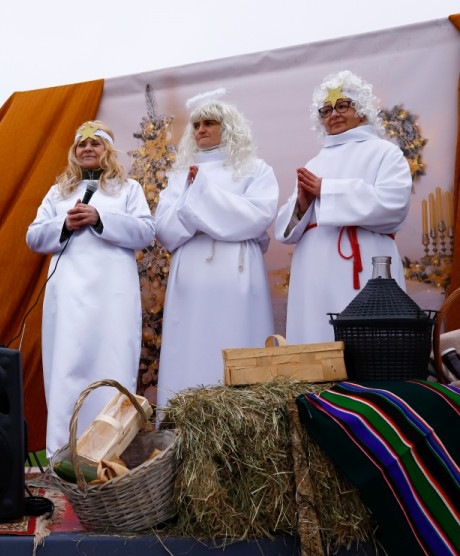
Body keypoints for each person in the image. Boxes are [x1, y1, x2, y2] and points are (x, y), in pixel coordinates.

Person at [26, 120, 154, 456]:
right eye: (81, 144)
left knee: (113, 363)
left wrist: (100, 218)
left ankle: (112, 451)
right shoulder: (59, 192)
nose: (87, 149)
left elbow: (145, 233)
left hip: (113, 298)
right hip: (68, 297)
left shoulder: (128, 189)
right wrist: (64, 223)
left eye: (94, 143)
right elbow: (34, 236)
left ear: (107, 149)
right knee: (67, 367)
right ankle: (62, 453)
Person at [154, 90, 279, 407]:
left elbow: (258, 216)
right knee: (191, 348)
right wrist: (208, 211)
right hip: (191, 279)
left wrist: (200, 201)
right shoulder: (179, 176)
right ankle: (184, 422)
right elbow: (165, 229)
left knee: (236, 341)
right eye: (196, 125)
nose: (201, 130)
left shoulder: (254, 169)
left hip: (235, 279)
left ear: (228, 126)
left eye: (209, 123)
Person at [274, 70, 412, 343]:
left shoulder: (385, 152)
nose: (333, 114)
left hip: (363, 266)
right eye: (326, 110)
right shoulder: (315, 162)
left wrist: (327, 190)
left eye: (342, 106)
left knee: (367, 342)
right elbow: (285, 231)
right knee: (317, 338)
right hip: (314, 269)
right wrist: (302, 206)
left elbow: (394, 204)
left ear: (361, 109)